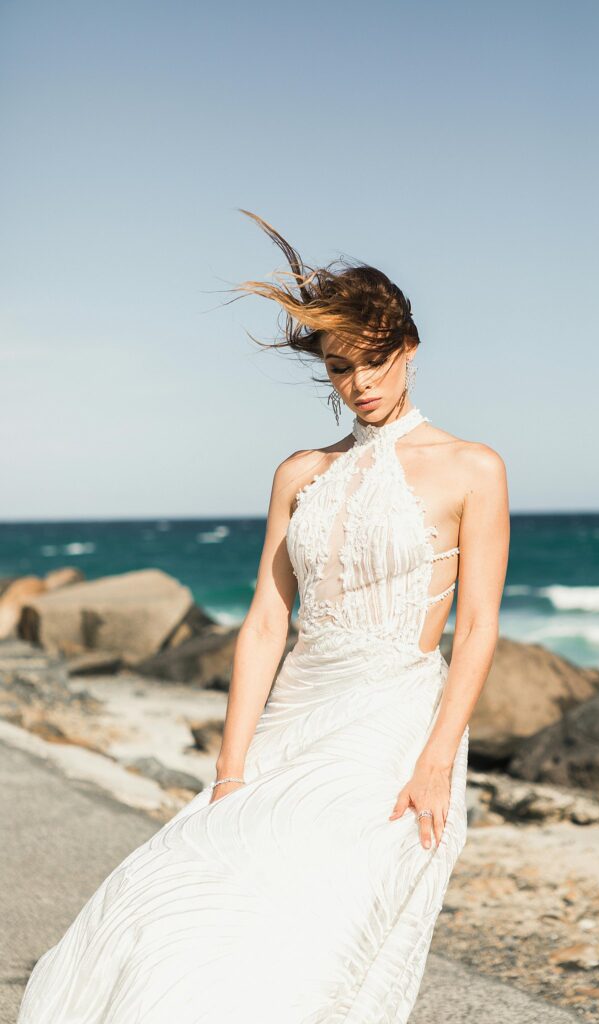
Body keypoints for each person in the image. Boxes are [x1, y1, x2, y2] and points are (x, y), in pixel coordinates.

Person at [17, 211, 510, 1024]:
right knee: (194, 888)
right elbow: (263, 626)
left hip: (391, 721)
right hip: (293, 714)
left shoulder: (472, 468)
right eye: (342, 367)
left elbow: (479, 628)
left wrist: (434, 760)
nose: (362, 383)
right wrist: (230, 767)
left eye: (377, 360)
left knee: (316, 912)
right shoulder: (298, 472)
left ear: (410, 350)